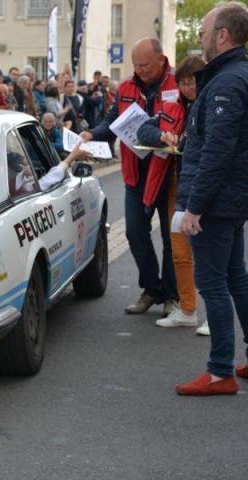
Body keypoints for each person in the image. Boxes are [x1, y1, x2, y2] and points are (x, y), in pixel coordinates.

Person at [173, 2, 248, 396]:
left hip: (216, 203)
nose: (199, 36)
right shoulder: (235, 75)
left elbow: (218, 149)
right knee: (235, 277)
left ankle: (219, 371)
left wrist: (194, 206)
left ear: (222, 36)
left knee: (212, 284)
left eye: (203, 30)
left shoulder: (228, 81)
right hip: (229, 200)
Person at [80, 37, 179, 318]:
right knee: (135, 232)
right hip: (136, 174)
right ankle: (152, 289)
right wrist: (92, 134)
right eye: (136, 64)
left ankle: (172, 295)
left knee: (172, 238)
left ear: (161, 60)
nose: (140, 70)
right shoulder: (126, 86)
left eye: (145, 65)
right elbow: (111, 123)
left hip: (168, 174)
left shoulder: (177, 83)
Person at [146, 54, 208, 335]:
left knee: (212, 256)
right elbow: (143, 127)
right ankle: (187, 309)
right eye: (181, 82)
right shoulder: (174, 106)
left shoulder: (212, 104)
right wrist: (161, 136)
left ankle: (215, 315)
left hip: (205, 187)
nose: (186, 88)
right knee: (180, 251)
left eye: (191, 82)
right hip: (176, 185)